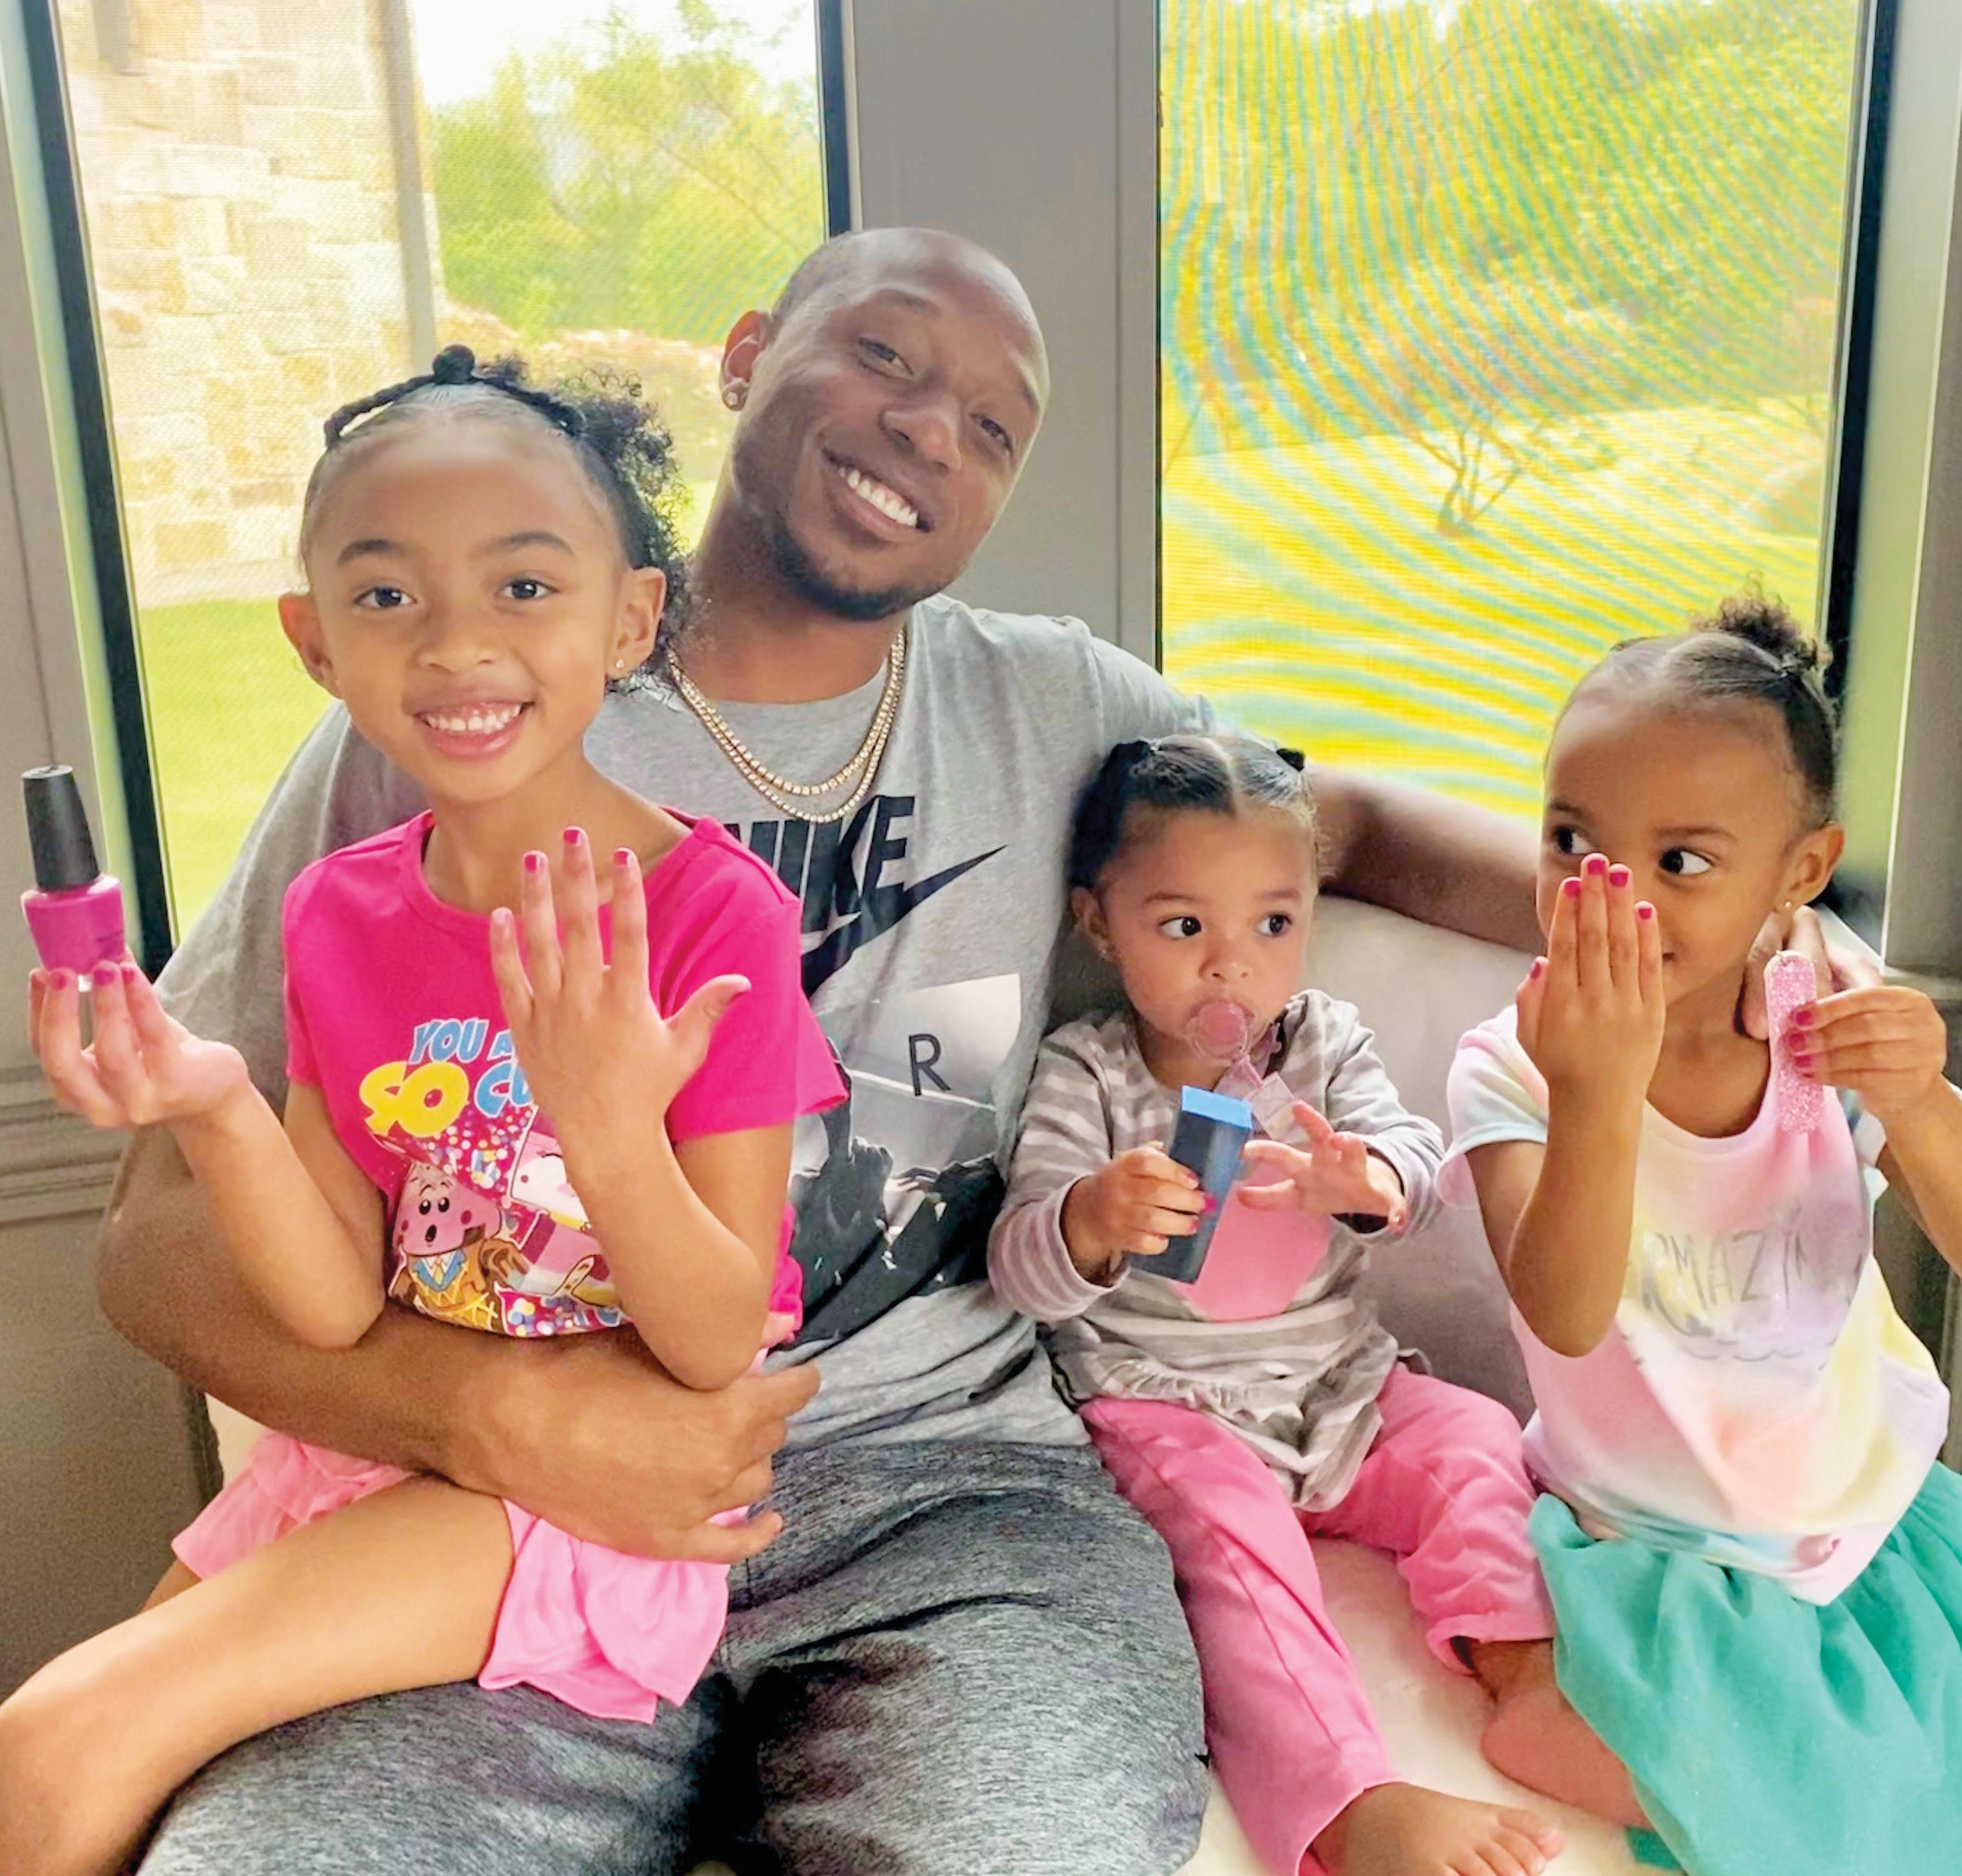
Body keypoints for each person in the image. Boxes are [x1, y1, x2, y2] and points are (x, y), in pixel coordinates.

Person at [90, 227, 1831, 1873]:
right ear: (747, 356)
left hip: (957, 1497)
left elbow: (1340, 823)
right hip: (499, 1518)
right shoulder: (458, 699)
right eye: (883, 357)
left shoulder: (1052, 704)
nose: (930, 428)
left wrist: (1709, 928)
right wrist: (493, 1416)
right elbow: (156, 1239)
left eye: (993, 427)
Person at [2, 348, 847, 1874]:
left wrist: (608, 1132)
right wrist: (212, 1104)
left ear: (629, 618)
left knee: (56, 1744)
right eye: (388, 594)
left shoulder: (712, 916)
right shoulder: (334, 913)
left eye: (523, 585)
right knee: (45, 1773)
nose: (458, 643)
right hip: (367, 1464)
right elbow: (332, 1305)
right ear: (313, 641)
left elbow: (718, 1337)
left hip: (585, 1508)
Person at [991, 735, 1637, 1876]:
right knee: (1235, 1560)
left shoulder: (1325, 1045)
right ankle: (1347, 1802)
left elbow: (1419, 1172)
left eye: (1273, 925)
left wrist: (1369, 1181)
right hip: (1167, 1408)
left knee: (1478, 1441)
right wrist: (1089, 1218)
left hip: (1342, 1388)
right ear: (1099, 924)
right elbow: (1018, 1269)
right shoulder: (1088, 1075)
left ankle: (1526, 1676)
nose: (1230, 969)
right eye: (1183, 928)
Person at [1446, 597, 1962, 1875]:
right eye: (1572, 841)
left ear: (1798, 872)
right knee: (1825, 1811)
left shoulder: (1825, 1020)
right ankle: (1541, 1696)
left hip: (1865, 1512)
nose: (1611, 895)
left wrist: (1918, 1101)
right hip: (1654, 1547)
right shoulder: (1515, 1064)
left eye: (1680, 861)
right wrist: (1595, 1096)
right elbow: (1561, 1312)